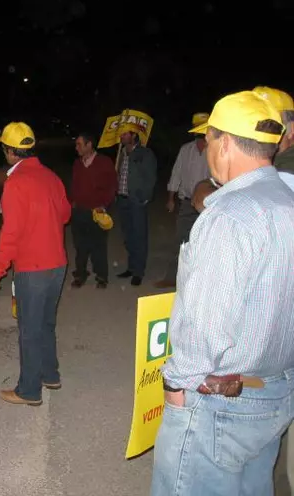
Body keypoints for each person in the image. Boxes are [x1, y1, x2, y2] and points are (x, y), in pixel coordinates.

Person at [152, 90, 294, 495]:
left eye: (209, 139)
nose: (207, 149)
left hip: (221, 403)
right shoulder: (288, 197)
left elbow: (205, 324)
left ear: (226, 143)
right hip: (276, 389)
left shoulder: (230, 215)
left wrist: (178, 388)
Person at [0, 122, 71, 405]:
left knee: (29, 329)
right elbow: (65, 214)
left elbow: (10, 232)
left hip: (32, 269)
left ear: (11, 152)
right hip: (57, 264)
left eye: (4, 148)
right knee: (46, 324)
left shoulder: (16, 183)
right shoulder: (51, 177)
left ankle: (29, 390)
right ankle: (51, 375)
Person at [155, 113, 211, 289]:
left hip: (210, 205)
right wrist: (171, 198)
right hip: (187, 202)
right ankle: (172, 277)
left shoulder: (215, 150)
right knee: (181, 241)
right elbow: (176, 173)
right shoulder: (186, 150)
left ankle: (201, 282)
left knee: (206, 243)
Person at [69, 131, 117, 288]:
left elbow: (112, 187)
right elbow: (74, 186)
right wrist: (72, 202)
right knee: (80, 246)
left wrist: (104, 205)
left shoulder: (104, 162)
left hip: (98, 211)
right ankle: (80, 274)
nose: (76, 147)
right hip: (79, 211)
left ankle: (101, 276)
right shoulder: (77, 163)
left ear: (89, 145)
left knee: (99, 246)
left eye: (79, 144)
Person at [115, 122, 157, 286]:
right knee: (128, 236)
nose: (122, 137)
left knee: (139, 236)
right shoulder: (121, 154)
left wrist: (145, 197)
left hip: (136, 200)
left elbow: (151, 177)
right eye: (122, 134)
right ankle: (131, 267)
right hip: (122, 199)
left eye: (125, 134)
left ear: (133, 135)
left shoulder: (145, 154)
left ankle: (138, 271)